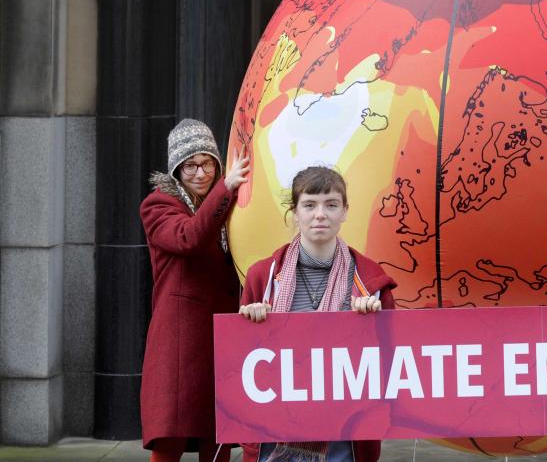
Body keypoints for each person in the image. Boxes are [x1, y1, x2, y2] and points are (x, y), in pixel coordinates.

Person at [239, 166, 397, 462]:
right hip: (274, 437)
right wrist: (250, 325)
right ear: (295, 212)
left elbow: (392, 362)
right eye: (309, 205)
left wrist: (371, 327)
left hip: (343, 440)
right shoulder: (262, 276)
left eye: (331, 205)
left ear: (345, 211)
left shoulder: (370, 280)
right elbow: (242, 364)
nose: (320, 214)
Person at [139, 119, 250, 462]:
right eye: (190, 165)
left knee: (217, 431)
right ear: (176, 169)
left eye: (207, 164)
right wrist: (225, 187)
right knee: (170, 432)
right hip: (181, 336)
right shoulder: (158, 205)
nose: (200, 173)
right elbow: (188, 238)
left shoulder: (228, 202)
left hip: (222, 331)